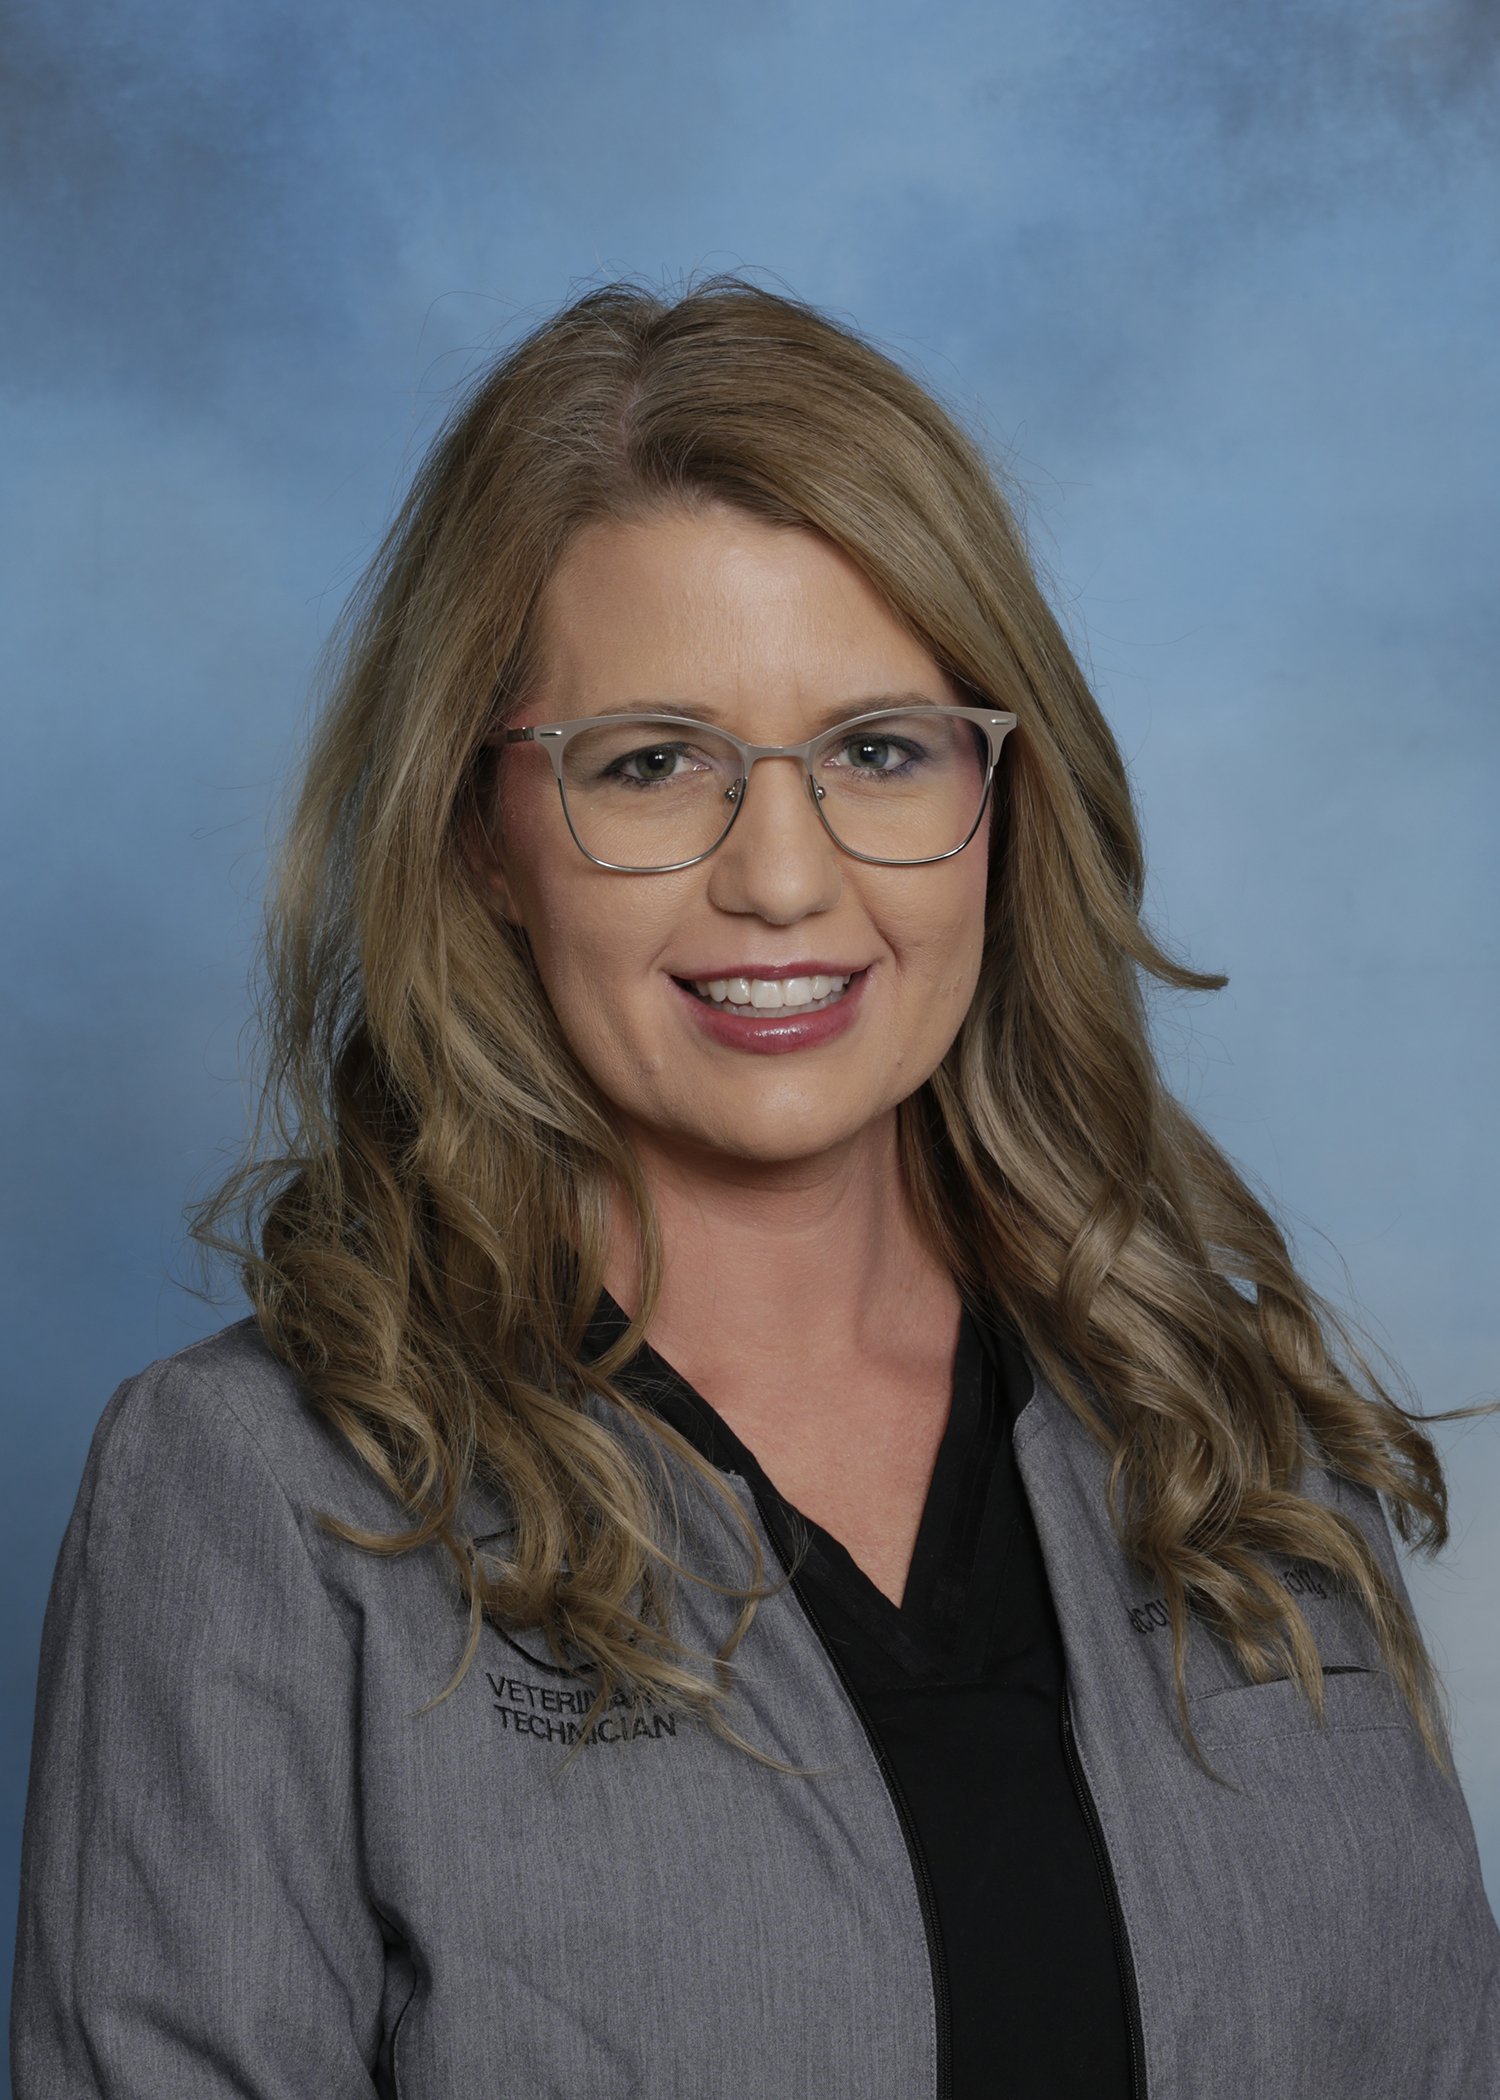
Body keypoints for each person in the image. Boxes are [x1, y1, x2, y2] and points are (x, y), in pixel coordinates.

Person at [11, 275, 1499, 2100]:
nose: (783, 879)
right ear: (483, 834)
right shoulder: (259, 1499)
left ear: (999, 797)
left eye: (879, 749)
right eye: (651, 765)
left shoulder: (1234, 1441)